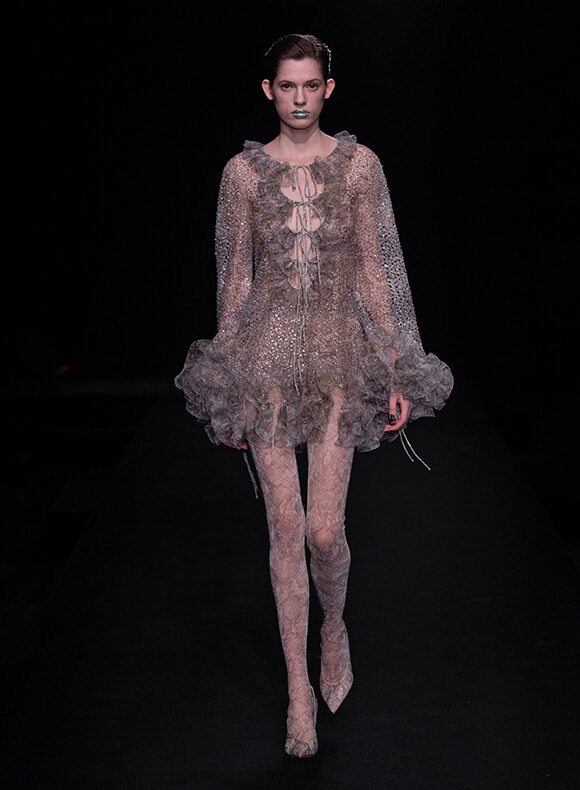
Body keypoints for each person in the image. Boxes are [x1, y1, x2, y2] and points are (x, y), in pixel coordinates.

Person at [175, 33, 453, 758]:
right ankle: (298, 692)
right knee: (284, 529)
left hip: (336, 360)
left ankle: (334, 625)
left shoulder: (360, 167)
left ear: (328, 89)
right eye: (286, 86)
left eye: (310, 85)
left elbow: (377, 272)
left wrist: (396, 366)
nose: (298, 98)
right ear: (268, 90)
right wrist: (225, 381)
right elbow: (234, 282)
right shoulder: (242, 174)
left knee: (324, 533)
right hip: (265, 363)